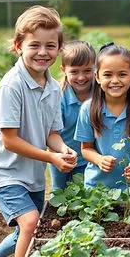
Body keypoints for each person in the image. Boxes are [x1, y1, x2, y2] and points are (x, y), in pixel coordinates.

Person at [0, 5, 77, 257]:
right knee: (31, 222)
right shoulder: (12, 86)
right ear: (18, 45)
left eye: (50, 46)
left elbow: (52, 133)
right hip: (5, 171)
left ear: (59, 49)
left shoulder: (54, 87)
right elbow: (10, 140)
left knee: (30, 228)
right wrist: (51, 157)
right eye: (35, 45)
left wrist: (62, 149)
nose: (43, 52)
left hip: (32, 173)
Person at [74, 43, 130, 199]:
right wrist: (99, 159)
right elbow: (86, 149)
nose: (115, 80)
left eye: (122, 74)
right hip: (97, 188)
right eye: (108, 75)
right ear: (97, 77)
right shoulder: (88, 109)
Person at [49, 40, 96, 191]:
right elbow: (51, 133)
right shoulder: (59, 97)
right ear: (63, 70)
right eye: (74, 72)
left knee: (85, 193)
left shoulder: (101, 93)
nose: (81, 77)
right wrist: (59, 155)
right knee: (59, 192)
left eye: (87, 71)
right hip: (61, 154)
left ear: (96, 69)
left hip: (88, 156)